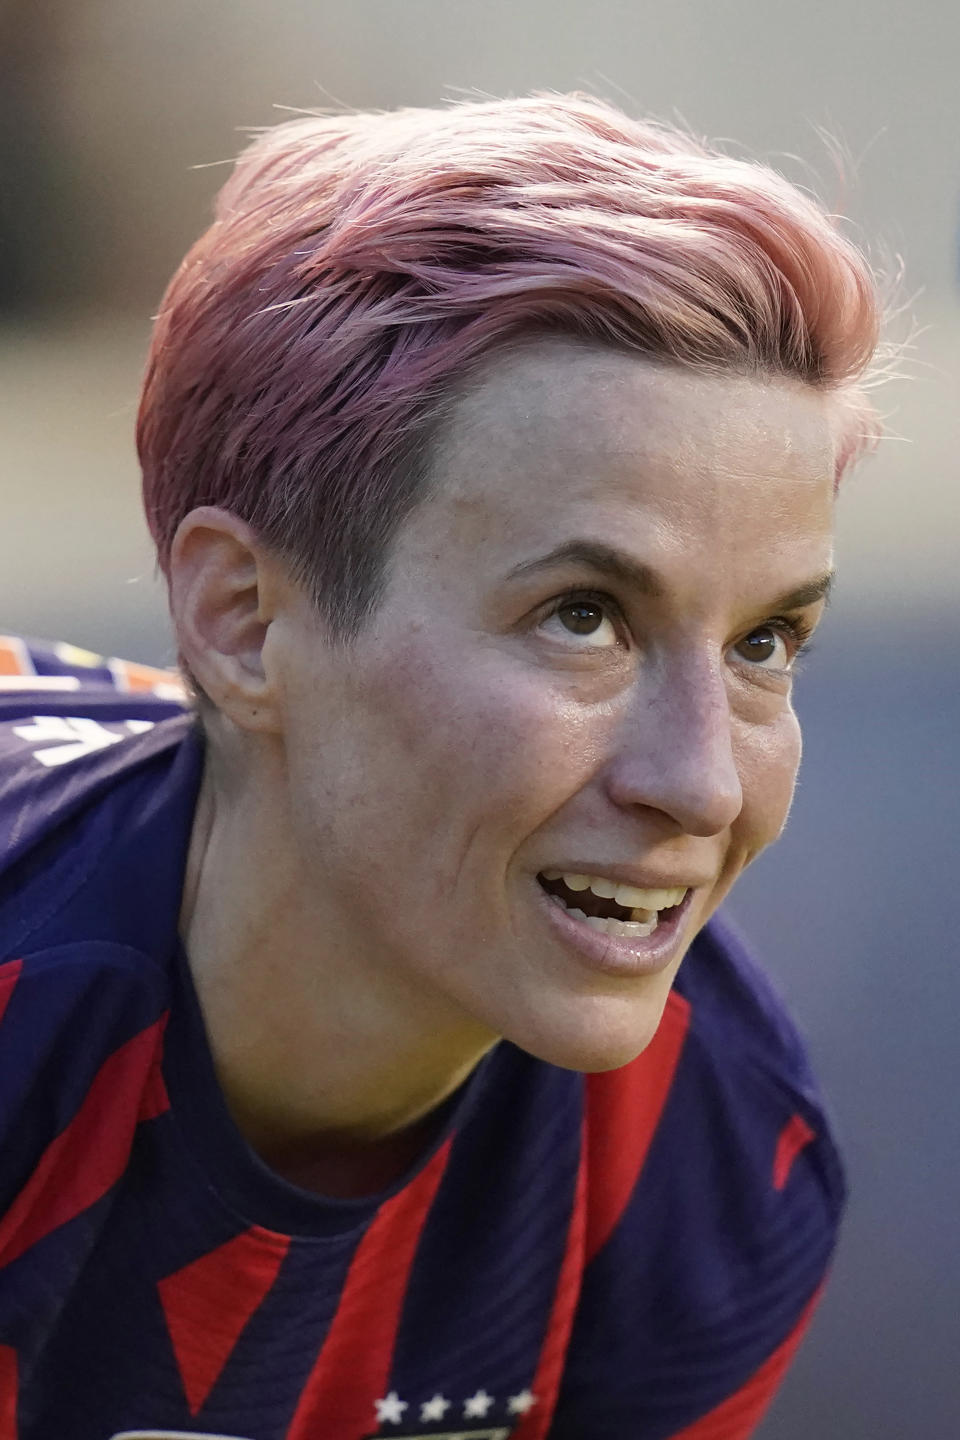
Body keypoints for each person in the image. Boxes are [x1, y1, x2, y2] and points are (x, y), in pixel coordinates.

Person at [0, 94, 882, 1440]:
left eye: (767, 641)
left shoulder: (708, 1154)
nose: (702, 785)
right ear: (244, 622)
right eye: (583, 615)